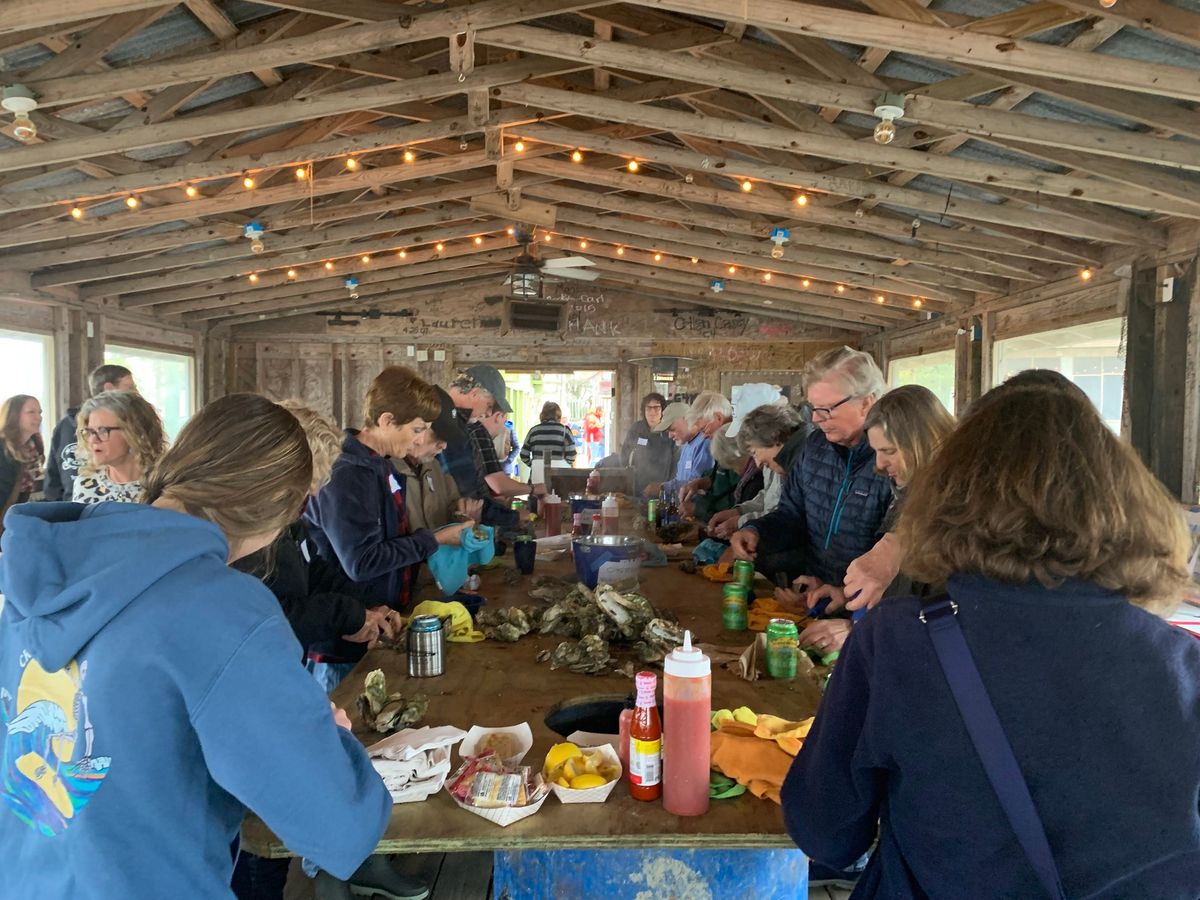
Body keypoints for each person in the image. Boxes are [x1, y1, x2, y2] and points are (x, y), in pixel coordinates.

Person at [782, 380, 1200, 897]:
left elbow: (826, 833)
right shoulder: (1187, 668)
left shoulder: (897, 644)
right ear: (1129, 505)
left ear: (950, 498)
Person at [0, 393, 392, 899]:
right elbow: (339, 825)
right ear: (285, 505)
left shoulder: (40, 574)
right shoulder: (225, 609)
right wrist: (328, 738)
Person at [231, 402, 415, 900]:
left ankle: (340, 868)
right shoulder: (244, 541)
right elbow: (277, 615)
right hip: (256, 703)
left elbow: (317, 572)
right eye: (310, 480)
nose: (315, 492)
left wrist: (364, 608)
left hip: (278, 688)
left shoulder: (287, 524)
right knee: (254, 844)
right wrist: (345, 616)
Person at [304, 366, 472, 673]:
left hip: (376, 622)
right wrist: (433, 540)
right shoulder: (349, 473)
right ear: (386, 421)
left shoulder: (380, 466)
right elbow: (362, 562)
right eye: (418, 429)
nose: (420, 440)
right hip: (346, 642)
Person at [731, 347, 892, 652]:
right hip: (820, 601)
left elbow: (899, 569)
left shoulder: (894, 463)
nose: (816, 420)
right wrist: (757, 531)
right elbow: (792, 514)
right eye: (813, 408)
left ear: (867, 402)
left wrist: (856, 621)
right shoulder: (814, 448)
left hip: (870, 621)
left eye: (826, 410)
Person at [840, 385, 956, 612]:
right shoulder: (908, 489)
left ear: (923, 441)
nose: (879, 465)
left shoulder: (962, 504)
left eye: (889, 451)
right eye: (876, 452)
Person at [440, 367, 519, 530]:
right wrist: (513, 517)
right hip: (448, 526)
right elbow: (469, 495)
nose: (488, 413)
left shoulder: (452, 420)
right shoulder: (452, 427)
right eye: (489, 405)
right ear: (474, 393)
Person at [44, 364, 136, 502]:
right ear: (109, 388)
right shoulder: (64, 428)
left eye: (103, 431)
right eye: (130, 387)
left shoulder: (157, 485)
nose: (136, 393)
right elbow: (53, 477)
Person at [395, 387, 480, 533]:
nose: (443, 445)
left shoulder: (434, 467)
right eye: (437, 436)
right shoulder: (385, 471)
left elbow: (450, 511)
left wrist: (463, 514)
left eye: (447, 439)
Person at [71, 391, 166, 505]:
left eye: (102, 431)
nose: (92, 440)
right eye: (90, 431)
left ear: (135, 433)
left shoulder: (165, 485)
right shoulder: (85, 484)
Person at [681, 425, 761, 526]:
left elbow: (732, 510)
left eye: (732, 466)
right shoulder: (748, 473)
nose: (734, 471)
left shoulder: (755, 478)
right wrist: (703, 482)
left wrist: (698, 510)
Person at [642, 400, 714, 500]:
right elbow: (680, 480)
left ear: (687, 419)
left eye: (672, 429)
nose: (670, 435)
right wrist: (663, 487)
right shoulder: (686, 446)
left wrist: (663, 488)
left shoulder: (705, 443)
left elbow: (698, 486)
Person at [0, 394, 44, 532]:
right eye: (31, 412)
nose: (39, 417)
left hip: (13, 517)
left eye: (40, 412)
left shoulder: (34, 448)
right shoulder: (3, 448)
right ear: (14, 415)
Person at [614, 392, 675, 493]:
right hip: (638, 486)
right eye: (648, 408)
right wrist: (626, 475)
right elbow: (624, 453)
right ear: (644, 411)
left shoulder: (669, 431)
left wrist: (668, 486)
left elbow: (675, 461)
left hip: (663, 487)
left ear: (663, 410)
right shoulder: (637, 429)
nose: (652, 412)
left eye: (656, 408)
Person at [520, 402, 577, 470]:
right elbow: (572, 456)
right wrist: (562, 467)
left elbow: (523, 455)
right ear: (558, 416)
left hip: (537, 477)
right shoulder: (565, 431)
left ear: (542, 415)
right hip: (558, 478)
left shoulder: (533, 431)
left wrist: (535, 466)